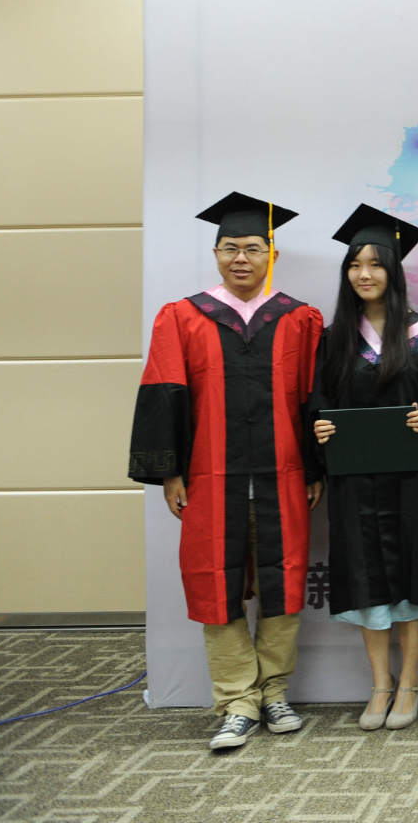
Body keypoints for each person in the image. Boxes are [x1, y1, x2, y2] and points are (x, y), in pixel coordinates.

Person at [129, 191, 324, 751]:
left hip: (284, 474)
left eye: (253, 248)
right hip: (210, 478)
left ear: (272, 256)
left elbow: (313, 399)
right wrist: (170, 472)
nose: (241, 258)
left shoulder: (300, 318)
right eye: (230, 248)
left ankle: (274, 691)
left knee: (284, 581)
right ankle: (237, 700)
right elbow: (164, 394)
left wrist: (315, 468)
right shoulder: (182, 316)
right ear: (215, 254)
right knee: (216, 583)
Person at [309, 204, 418, 731]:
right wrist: (320, 429)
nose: (365, 274)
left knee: (413, 575)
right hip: (356, 483)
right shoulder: (334, 339)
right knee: (364, 578)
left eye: (376, 264)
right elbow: (317, 406)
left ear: (394, 271)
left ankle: (410, 683)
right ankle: (380, 682)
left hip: (415, 482)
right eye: (355, 265)